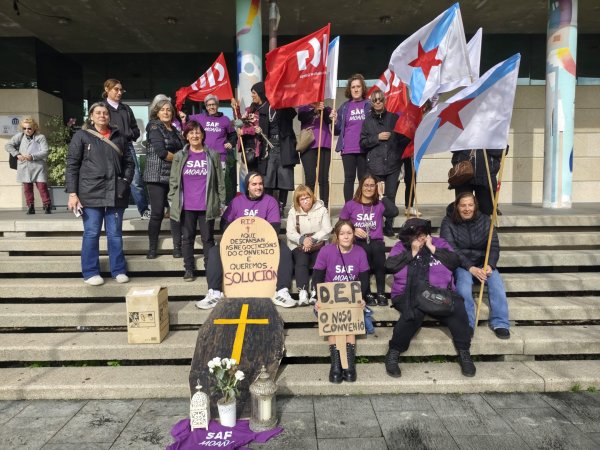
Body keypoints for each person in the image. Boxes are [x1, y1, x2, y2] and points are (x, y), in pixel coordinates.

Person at [384, 218, 476, 377]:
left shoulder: (439, 243)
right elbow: (390, 266)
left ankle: (464, 352)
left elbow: (454, 261)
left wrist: (433, 248)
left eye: (423, 233)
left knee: (457, 306)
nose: (420, 237)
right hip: (408, 293)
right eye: (416, 234)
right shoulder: (401, 247)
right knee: (413, 311)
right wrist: (412, 253)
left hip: (439, 293)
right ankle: (394, 352)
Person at [196, 172, 295, 309]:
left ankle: (282, 291)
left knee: (285, 251)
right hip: (239, 243)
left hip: (264, 243)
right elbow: (225, 225)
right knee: (214, 251)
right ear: (247, 186)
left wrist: (256, 239)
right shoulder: (237, 202)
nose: (258, 187)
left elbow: (274, 228)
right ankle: (215, 292)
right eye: (254, 184)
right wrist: (239, 238)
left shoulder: (270, 201)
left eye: (260, 184)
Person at [66, 102, 134, 286]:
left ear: (109, 116)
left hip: (115, 191)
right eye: (98, 113)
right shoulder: (81, 136)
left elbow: (130, 163)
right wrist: (72, 193)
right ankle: (90, 272)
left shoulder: (120, 136)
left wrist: (125, 181)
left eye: (105, 113)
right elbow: (72, 164)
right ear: (91, 116)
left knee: (115, 234)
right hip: (90, 191)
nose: (102, 115)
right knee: (91, 232)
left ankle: (118, 270)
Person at [439, 192, 511, 339]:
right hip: (461, 264)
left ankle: (501, 323)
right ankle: (467, 323)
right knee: (463, 287)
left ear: (475, 206)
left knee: (497, 284)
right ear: (457, 206)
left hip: (483, 262)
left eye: (470, 205)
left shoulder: (485, 220)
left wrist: (490, 264)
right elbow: (450, 248)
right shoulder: (448, 222)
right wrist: (470, 267)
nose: (467, 209)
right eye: (463, 205)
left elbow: (494, 246)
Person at [312, 220, 369, 383]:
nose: (346, 236)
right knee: (334, 323)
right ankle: (336, 365)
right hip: (330, 299)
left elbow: (364, 280)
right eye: (342, 233)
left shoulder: (360, 252)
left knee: (349, 322)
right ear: (337, 235)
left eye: (349, 233)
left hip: (350, 298)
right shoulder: (326, 251)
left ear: (353, 235)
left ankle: (349, 365)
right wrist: (318, 299)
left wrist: (361, 298)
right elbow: (317, 277)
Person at [168, 121, 225, 282]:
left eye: (198, 132)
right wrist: (172, 200)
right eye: (191, 133)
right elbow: (173, 180)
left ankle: (210, 268)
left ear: (203, 135)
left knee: (208, 238)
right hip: (186, 205)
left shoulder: (212, 155)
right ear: (186, 136)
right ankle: (189, 268)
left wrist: (221, 201)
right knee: (187, 238)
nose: (194, 135)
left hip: (207, 204)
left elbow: (220, 181)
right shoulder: (179, 156)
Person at [339, 174, 398, 307]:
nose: (369, 188)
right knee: (363, 251)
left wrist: (382, 195)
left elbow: (394, 212)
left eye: (372, 185)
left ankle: (381, 292)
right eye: (366, 185)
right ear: (361, 186)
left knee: (378, 250)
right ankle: (367, 293)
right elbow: (340, 224)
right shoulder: (351, 204)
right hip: (358, 241)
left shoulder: (379, 204)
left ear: (376, 187)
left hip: (376, 240)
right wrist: (353, 230)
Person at [360, 90, 410, 236]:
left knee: (391, 196)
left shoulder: (394, 118)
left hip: (393, 165)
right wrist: (377, 137)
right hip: (375, 165)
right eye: (375, 100)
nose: (378, 102)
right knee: (375, 197)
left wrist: (411, 138)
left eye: (380, 100)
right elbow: (363, 142)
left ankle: (388, 227)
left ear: (384, 101)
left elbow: (402, 139)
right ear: (371, 103)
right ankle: (376, 226)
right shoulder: (367, 122)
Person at [143, 98, 185, 259]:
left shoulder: (175, 130)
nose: (166, 112)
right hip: (156, 176)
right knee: (157, 213)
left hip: (174, 176)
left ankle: (177, 248)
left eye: (168, 109)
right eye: (162, 110)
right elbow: (161, 152)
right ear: (157, 112)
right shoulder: (154, 127)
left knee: (175, 212)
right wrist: (182, 160)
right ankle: (152, 249)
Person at [103, 79, 149, 219]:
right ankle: (107, 209)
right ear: (107, 89)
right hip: (107, 146)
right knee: (107, 177)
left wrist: (131, 134)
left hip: (127, 146)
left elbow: (135, 128)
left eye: (121, 90)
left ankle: (144, 210)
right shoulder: (102, 107)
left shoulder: (126, 109)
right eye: (116, 89)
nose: (119, 92)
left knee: (135, 180)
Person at [250, 82, 298, 216]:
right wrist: (258, 130)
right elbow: (252, 127)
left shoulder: (283, 106)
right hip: (269, 147)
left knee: (284, 177)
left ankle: (281, 206)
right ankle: (269, 206)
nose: (252, 96)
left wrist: (281, 99)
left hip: (284, 146)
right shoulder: (261, 109)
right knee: (268, 178)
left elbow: (292, 113)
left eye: (254, 93)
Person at [178, 94, 237, 202]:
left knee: (218, 184)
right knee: (205, 184)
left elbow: (233, 135)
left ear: (217, 105)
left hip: (220, 157)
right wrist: (182, 114)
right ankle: (204, 205)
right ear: (206, 106)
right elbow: (186, 119)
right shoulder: (199, 117)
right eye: (209, 105)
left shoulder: (225, 120)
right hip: (203, 157)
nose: (211, 107)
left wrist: (231, 143)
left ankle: (218, 205)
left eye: (213, 104)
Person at [286, 185, 332, 306]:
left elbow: (327, 229)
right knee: (301, 261)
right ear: (298, 201)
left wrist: (311, 240)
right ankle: (303, 291)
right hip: (299, 244)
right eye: (302, 199)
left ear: (312, 197)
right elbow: (290, 232)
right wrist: (303, 240)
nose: (306, 201)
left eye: (308, 197)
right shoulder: (293, 212)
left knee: (319, 262)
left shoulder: (321, 209)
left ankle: (316, 291)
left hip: (318, 242)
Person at [331, 74, 371, 202]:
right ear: (350, 89)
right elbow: (336, 130)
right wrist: (335, 121)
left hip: (364, 148)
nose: (356, 89)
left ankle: (362, 204)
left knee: (363, 179)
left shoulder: (368, 105)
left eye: (358, 86)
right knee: (349, 178)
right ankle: (348, 206)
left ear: (362, 88)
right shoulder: (344, 107)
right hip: (348, 149)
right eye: (353, 87)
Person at [5, 116, 51, 214]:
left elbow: (45, 151)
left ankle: (47, 205)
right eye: (24, 128)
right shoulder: (20, 136)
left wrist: (32, 156)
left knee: (42, 187)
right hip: (24, 166)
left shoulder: (40, 137)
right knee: (27, 188)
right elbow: (8, 145)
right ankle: (30, 206)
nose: (27, 130)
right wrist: (17, 154)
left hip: (38, 166)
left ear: (35, 127)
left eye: (29, 128)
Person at [297, 102, 333, 207]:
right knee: (310, 178)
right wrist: (314, 110)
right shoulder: (303, 107)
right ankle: (309, 205)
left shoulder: (327, 108)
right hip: (308, 146)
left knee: (323, 178)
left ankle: (324, 206)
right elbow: (302, 118)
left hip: (324, 145)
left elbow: (328, 120)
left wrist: (323, 111)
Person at [450, 149, 504, 216]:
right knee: (463, 209)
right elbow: (453, 148)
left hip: (486, 176)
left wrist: (487, 144)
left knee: (486, 210)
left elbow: (501, 151)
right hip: (463, 174)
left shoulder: (494, 141)